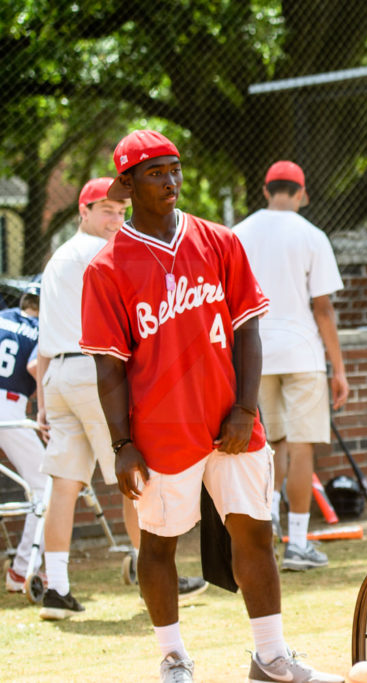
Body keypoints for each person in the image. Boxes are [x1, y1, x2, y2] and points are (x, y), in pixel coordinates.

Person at [80, 130, 341, 683]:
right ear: (126, 183)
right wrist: (123, 444)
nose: (170, 180)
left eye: (174, 168)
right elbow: (109, 368)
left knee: (254, 533)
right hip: (160, 430)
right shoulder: (106, 268)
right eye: (154, 172)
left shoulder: (219, 241)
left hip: (230, 420)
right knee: (159, 544)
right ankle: (173, 658)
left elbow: (248, 330)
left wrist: (246, 409)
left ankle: (270, 657)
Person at [36, 177, 206, 620]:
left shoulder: (55, 259)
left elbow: (43, 341)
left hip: (58, 374)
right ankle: (149, 569)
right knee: (133, 478)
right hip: (93, 370)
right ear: (83, 212)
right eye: (105, 210)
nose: (116, 218)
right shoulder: (99, 254)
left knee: (64, 486)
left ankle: (56, 587)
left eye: (119, 210)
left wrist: (41, 398)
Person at [234, 160, 349, 571]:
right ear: (302, 194)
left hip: (254, 352)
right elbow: (323, 307)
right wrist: (339, 368)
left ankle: (265, 536)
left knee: (268, 448)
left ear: (266, 191)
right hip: (302, 352)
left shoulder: (238, 234)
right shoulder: (312, 235)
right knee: (301, 448)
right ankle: (298, 543)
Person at [1, 284, 47, 592]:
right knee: (46, 487)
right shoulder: (42, 327)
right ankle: (21, 571)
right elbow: (35, 366)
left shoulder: (3, 316)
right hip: (8, 409)